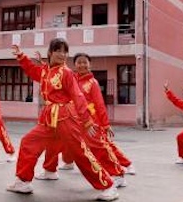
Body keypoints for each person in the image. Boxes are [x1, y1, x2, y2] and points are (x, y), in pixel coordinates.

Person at [7, 40, 119, 202]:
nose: (62, 54)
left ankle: (107, 185)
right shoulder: (46, 71)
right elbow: (32, 71)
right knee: (28, 142)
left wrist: (87, 120)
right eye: (58, 50)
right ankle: (23, 181)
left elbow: (77, 95)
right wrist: (21, 57)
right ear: (50, 53)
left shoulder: (66, 72)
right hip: (49, 119)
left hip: (66, 118)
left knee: (79, 152)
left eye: (65, 51)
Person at [38, 53, 131, 182]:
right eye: (79, 62)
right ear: (75, 65)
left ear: (89, 64)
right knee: (57, 142)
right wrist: (44, 65)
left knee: (99, 147)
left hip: (90, 122)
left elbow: (99, 104)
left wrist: (105, 124)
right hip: (72, 119)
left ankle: (118, 174)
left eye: (84, 62)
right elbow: (54, 76)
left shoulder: (93, 83)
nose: (82, 65)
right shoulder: (71, 78)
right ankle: (56, 167)